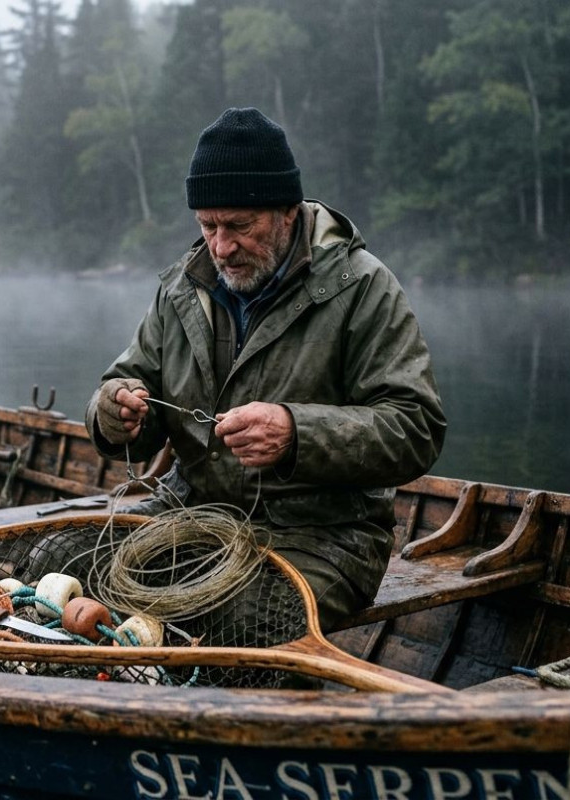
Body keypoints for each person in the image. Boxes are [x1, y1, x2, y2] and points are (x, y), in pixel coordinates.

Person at [86, 108, 446, 631]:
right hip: (189, 519)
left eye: (238, 226)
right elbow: (120, 391)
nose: (221, 246)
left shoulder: (361, 287)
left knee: (241, 620)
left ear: (287, 212)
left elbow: (417, 428)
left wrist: (296, 433)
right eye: (207, 225)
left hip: (322, 538)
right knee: (58, 558)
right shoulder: (181, 288)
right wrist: (113, 414)